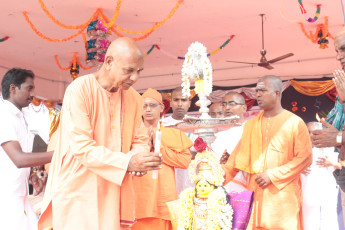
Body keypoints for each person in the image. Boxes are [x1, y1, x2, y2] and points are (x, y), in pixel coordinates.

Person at [38, 37, 162, 230]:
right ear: (109, 62)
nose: (135, 78)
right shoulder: (79, 90)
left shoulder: (134, 99)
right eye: (129, 70)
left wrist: (138, 159)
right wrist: (127, 163)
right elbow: (81, 146)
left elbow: (140, 139)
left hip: (115, 187)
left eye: (139, 71)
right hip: (79, 189)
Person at [223, 75, 312, 229]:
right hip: (255, 195)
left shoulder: (294, 122)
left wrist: (273, 174)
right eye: (257, 91)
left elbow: (304, 158)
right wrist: (212, 179)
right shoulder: (251, 125)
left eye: (263, 90)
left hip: (282, 199)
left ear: (277, 93)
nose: (258, 94)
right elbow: (234, 161)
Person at [0, 68, 53, 230]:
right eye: (29, 88)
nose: (33, 94)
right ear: (13, 88)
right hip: (6, 197)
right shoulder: (4, 115)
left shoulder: (22, 116)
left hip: (19, 194)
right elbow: (19, 159)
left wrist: (32, 175)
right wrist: (60, 154)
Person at [132, 88, 192, 230]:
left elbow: (184, 162)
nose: (148, 109)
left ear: (162, 107)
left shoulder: (173, 133)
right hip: (139, 196)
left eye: (152, 105)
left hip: (164, 195)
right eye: (144, 106)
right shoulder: (132, 134)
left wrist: (160, 148)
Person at [302, 122, 339, 230]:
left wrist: (332, 163)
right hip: (307, 191)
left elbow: (341, 166)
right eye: (309, 132)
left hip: (327, 191)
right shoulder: (300, 149)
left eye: (315, 133)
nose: (312, 135)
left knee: (329, 220)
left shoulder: (330, 147)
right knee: (309, 221)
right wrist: (300, 168)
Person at [211, 92, 247, 192]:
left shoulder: (250, 128)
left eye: (232, 104)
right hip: (223, 186)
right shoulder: (216, 134)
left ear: (244, 108)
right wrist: (221, 162)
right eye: (224, 104)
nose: (227, 107)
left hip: (246, 184)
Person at [164, 86, 197, 195]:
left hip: (190, 176)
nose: (179, 104)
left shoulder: (197, 124)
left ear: (189, 103)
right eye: (176, 100)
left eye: (183, 100)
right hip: (168, 174)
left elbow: (198, 155)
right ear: (171, 102)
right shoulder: (162, 124)